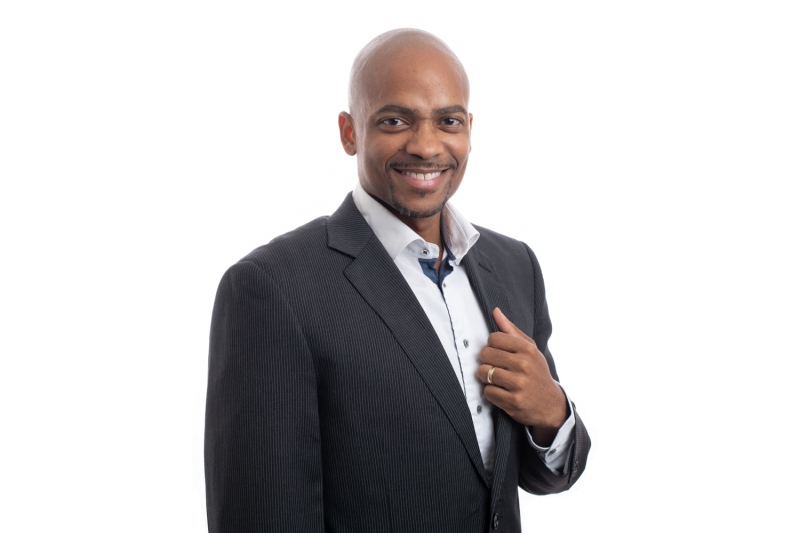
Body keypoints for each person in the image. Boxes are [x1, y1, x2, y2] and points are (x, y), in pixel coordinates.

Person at [205, 28, 590, 533]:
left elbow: (546, 476)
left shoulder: (514, 265)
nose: (427, 145)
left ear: (469, 129)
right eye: (394, 120)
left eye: (447, 121)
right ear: (349, 132)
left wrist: (551, 413)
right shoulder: (272, 289)